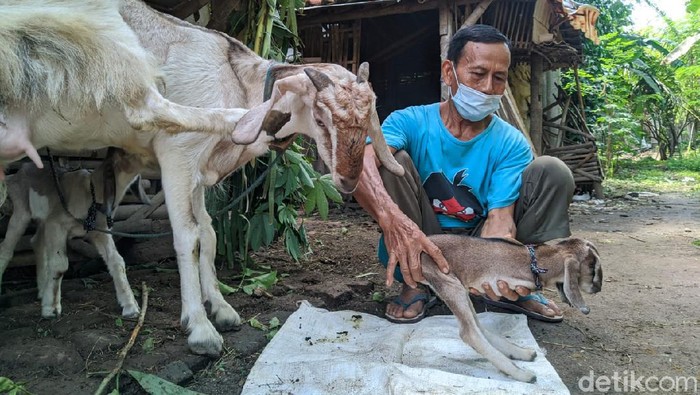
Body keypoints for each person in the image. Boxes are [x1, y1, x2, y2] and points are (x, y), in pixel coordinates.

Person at [353, 24, 575, 324]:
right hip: (420, 232)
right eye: (478, 73)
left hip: (477, 240)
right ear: (449, 72)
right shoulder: (410, 121)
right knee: (392, 161)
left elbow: (500, 218)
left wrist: (498, 263)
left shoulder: (510, 142)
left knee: (552, 170)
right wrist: (389, 218)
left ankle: (519, 283)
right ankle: (415, 281)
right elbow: (362, 167)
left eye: (499, 78)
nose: (487, 87)